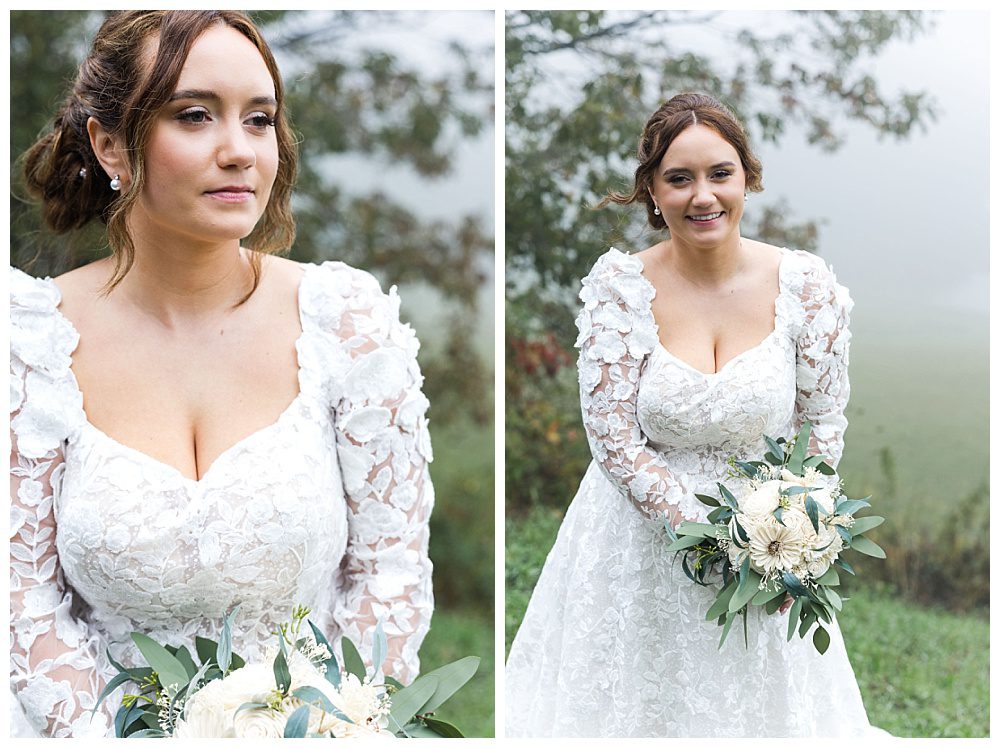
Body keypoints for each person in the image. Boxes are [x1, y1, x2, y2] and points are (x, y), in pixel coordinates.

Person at [10, 11, 433, 738]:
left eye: (260, 119)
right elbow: (20, 595)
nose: (240, 151)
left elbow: (389, 577)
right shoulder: (26, 341)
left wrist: (331, 724)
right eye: (195, 115)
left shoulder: (348, 325)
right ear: (109, 142)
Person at [505, 92, 881, 737]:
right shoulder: (619, 286)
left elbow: (821, 422)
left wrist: (789, 524)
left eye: (719, 174)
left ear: (747, 179)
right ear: (651, 191)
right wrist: (708, 536)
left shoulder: (805, 286)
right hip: (636, 541)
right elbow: (614, 438)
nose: (702, 196)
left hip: (768, 542)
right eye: (679, 179)